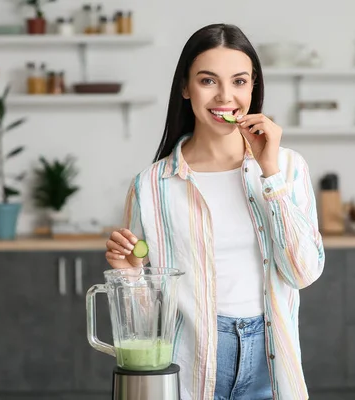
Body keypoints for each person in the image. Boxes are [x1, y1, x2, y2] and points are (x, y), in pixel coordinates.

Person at [105, 23, 325, 400]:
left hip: (270, 365)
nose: (226, 96)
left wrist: (269, 172)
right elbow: (146, 325)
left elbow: (302, 272)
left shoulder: (288, 168)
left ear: (253, 87)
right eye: (209, 81)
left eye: (239, 81)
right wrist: (130, 276)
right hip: (190, 367)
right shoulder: (152, 185)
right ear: (185, 88)